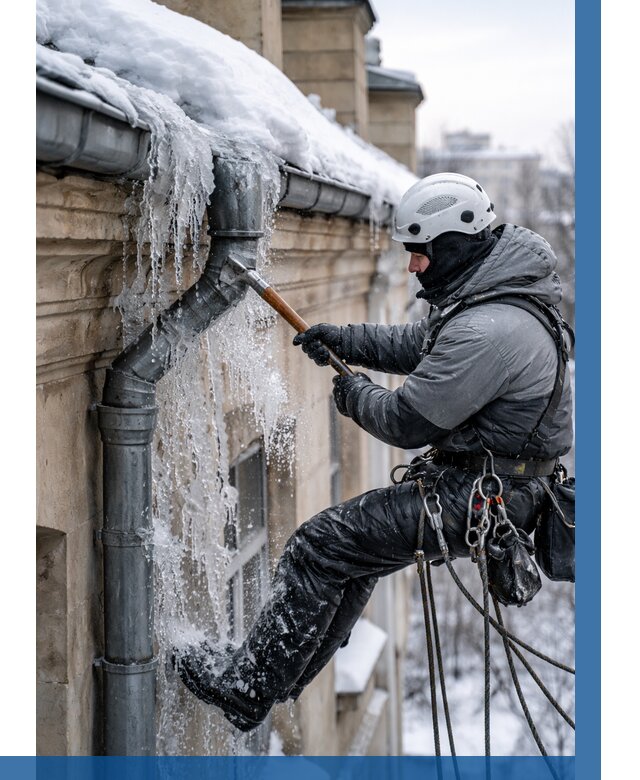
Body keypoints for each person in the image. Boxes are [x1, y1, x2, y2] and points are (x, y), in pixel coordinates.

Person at [174, 172, 574, 732]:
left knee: (320, 545)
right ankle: (268, 681)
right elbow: (420, 347)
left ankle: (249, 686)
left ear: (454, 245)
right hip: (489, 484)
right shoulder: (487, 293)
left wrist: (353, 394)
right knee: (349, 557)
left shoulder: (491, 327)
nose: (413, 265)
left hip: (485, 497)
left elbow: (406, 420)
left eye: (420, 253)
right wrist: (343, 339)